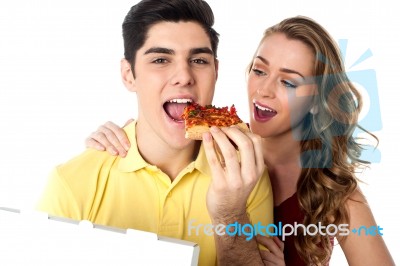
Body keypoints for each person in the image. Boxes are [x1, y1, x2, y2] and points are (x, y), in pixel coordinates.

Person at [86, 16, 395, 265]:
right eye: (259, 70)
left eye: (288, 81)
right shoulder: (208, 140)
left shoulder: (336, 191)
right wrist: (120, 139)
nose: (263, 90)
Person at [36, 1, 274, 266]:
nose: (184, 76)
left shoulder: (246, 174)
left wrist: (230, 214)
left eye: (198, 60)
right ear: (129, 75)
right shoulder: (71, 182)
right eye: (161, 59)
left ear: (215, 72)